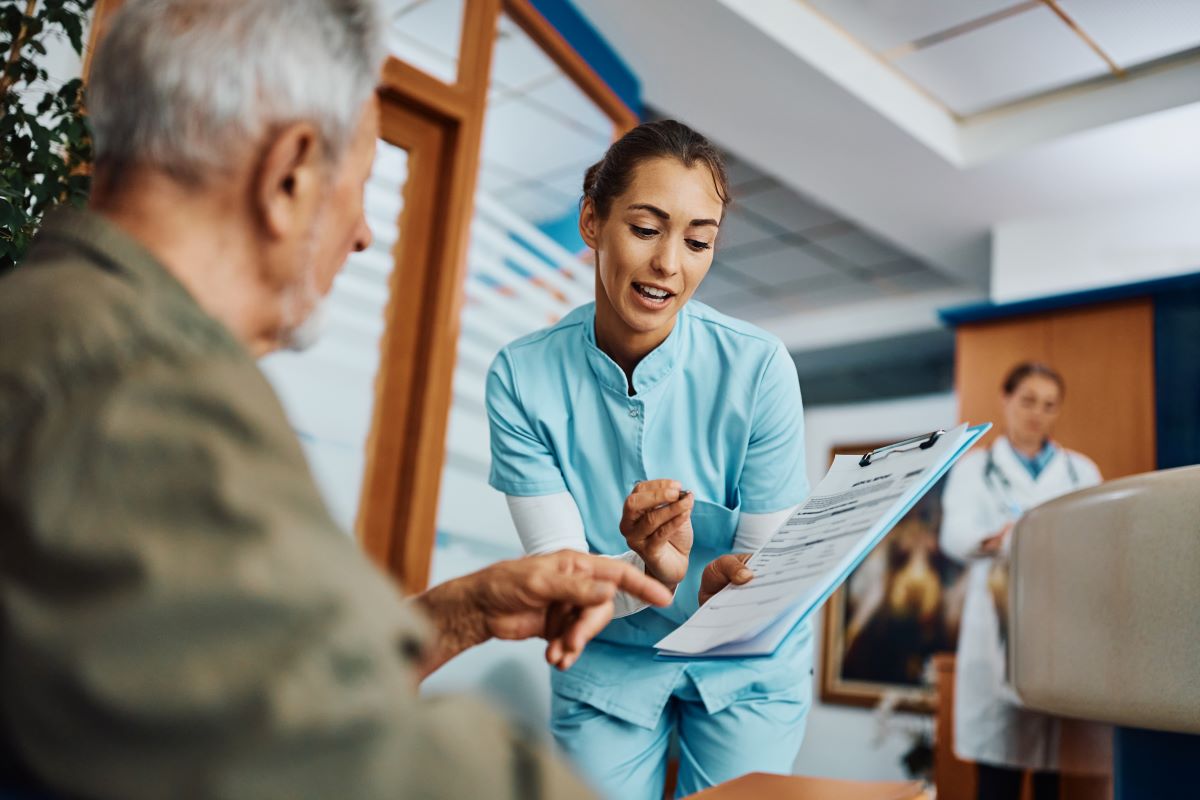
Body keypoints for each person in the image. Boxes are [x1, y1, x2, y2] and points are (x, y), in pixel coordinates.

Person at [0, 1, 735, 797]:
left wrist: (460, 613)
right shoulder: (134, 389)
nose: (361, 234)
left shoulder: (57, 328)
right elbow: (340, 755)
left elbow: (230, 677)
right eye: (361, 183)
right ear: (289, 175)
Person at [485, 120, 812, 799]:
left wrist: (722, 586)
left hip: (741, 662)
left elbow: (762, 570)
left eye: (698, 241)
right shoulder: (522, 377)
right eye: (645, 229)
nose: (671, 263)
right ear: (591, 221)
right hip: (609, 659)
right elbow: (566, 589)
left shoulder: (757, 369)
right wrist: (655, 569)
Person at [940, 362, 1102, 800]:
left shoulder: (1080, 472)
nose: (1037, 413)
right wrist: (1000, 538)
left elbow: (1099, 541)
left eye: (1049, 405)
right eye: (1028, 400)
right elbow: (954, 537)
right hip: (997, 616)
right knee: (999, 774)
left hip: (1061, 624)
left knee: (1055, 771)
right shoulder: (975, 468)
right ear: (1006, 399)